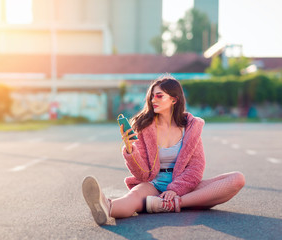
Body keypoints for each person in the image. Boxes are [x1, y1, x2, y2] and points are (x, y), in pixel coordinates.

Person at [82, 76, 245, 225]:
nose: (153, 100)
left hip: (185, 185)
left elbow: (196, 167)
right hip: (154, 183)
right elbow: (143, 175)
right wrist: (130, 149)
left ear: (174, 99)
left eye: (159, 96)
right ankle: (106, 206)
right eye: (152, 96)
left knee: (237, 179)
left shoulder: (191, 127)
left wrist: (175, 190)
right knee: (133, 198)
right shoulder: (143, 127)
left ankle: (171, 204)